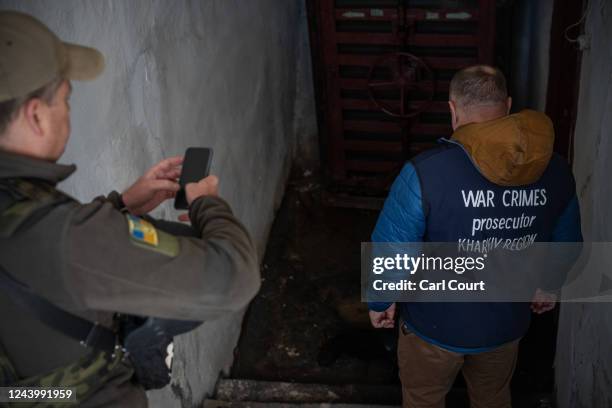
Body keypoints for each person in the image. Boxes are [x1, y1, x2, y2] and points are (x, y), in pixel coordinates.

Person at [0, 10, 260, 406]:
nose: (68, 112)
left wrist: (120, 206)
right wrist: (207, 202)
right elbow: (235, 275)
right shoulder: (67, 237)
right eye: (67, 100)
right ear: (36, 115)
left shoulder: (25, 211)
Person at [368, 65, 582, 408]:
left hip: (432, 326)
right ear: (508, 105)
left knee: (423, 399)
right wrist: (548, 284)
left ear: (452, 109)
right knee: (493, 398)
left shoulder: (425, 172)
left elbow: (393, 249)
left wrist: (381, 300)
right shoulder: (555, 170)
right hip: (505, 325)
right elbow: (567, 242)